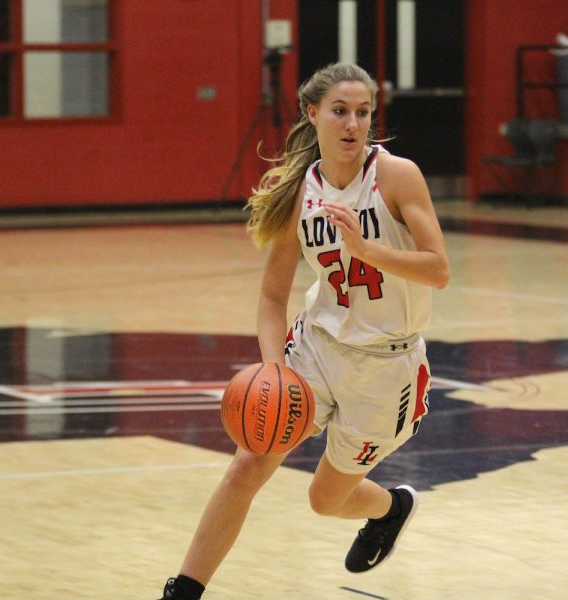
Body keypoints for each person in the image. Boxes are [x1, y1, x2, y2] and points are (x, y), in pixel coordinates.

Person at [158, 62, 450, 600]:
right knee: (250, 461)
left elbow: (439, 268)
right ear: (312, 114)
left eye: (363, 113)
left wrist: (368, 250)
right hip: (315, 348)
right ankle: (183, 590)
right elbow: (272, 297)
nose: (352, 124)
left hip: (386, 369)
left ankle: (392, 508)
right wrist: (275, 368)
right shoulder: (303, 191)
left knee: (325, 501)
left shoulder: (396, 176)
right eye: (340, 111)